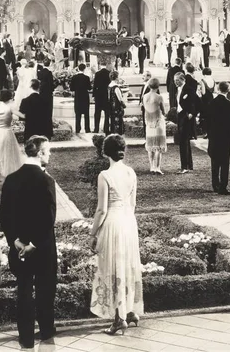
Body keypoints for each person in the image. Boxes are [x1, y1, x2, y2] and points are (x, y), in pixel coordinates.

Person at [0, 136, 57, 349]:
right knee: (45, 288)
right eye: (48, 150)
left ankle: (25, 337)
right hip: (42, 246)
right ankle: (47, 331)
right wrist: (35, 243)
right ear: (40, 153)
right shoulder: (46, 180)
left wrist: (15, 240)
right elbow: (49, 217)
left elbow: (3, 214)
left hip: (19, 246)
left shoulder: (11, 179)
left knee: (23, 289)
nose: (50, 154)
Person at [90, 134, 144, 334]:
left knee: (112, 267)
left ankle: (119, 317)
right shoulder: (131, 173)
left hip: (113, 223)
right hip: (129, 222)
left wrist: (92, 233)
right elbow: (133, 204)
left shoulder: (105, 175)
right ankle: (129, 311)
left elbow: (101, 210)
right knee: (127, 265)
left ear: (106, 152)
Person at [207, 81, 230, 194]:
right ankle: (223, 186)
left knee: (214, 162)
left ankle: (215, 185)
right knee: (225, 163)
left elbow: (207, 121)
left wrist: (209, 134)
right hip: (225, 138)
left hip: (214, 137)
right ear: (227, 90)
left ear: (218, 89)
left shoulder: (211, 103)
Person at [0, 90, 25, 177]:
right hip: (6, 132)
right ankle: (8, 173)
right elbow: (23, 116)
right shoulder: (10, 108)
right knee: (8, 154)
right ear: (9, 97)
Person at [175, 72, 199, 174]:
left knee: (183, 142)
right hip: (180, 117)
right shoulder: (178, 90)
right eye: (175, 80)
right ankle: (188, 164)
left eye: (178, 80)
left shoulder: (189, 89)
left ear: (183, 79)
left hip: (186, 118)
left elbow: (197, 102)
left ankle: (184, 166)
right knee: (184, 142)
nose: (176, 82)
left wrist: (192, 114)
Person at [143, 78, 167, 174]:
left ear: (149, 86)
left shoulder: (145, 96)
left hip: (149, 122)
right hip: (158, 122)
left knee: (150, 146)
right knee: (158, 147)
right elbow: (164, 111)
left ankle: (151, 166)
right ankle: (157, 167)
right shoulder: (159, 97)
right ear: (158, 86)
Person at [70, 64, 92, 134]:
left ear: (78, 68)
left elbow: (71, 88)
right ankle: (87, 128)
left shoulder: (74, 77)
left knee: (78, 113)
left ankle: (77, 128)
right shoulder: (86, 78)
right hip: (85, 97)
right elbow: (89, 88)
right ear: (84, 69)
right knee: (86, 114)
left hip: (78, 96)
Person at [93, 61, 111, 134]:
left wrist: (94, 95)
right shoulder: (109, 73)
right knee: (107, 113)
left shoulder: (97, 73)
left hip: (98, 96)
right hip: (106, 96)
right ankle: (106, 128)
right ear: (107, 65)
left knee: (97, 113)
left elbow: (95, 85)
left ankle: (96, 129)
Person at [108, 71, 125, 135]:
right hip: (116, 107)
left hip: (111, 106)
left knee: (112, 121)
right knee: (118, 122)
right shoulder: (116, 87)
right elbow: (120, 98)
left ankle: (113, 133)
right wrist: (123, 105)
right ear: (116, 78)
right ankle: (118, 134)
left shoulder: (109, 86)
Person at [199, 67, 215, 134]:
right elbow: (215, 91)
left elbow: (203, 92)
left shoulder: (203, 80)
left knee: (204, 116)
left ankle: (205, 132)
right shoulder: (213, 80)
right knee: (210, 116)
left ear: (204, 73)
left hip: (205, 100)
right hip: (211, 99)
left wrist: (199, 90)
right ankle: (210, 131)